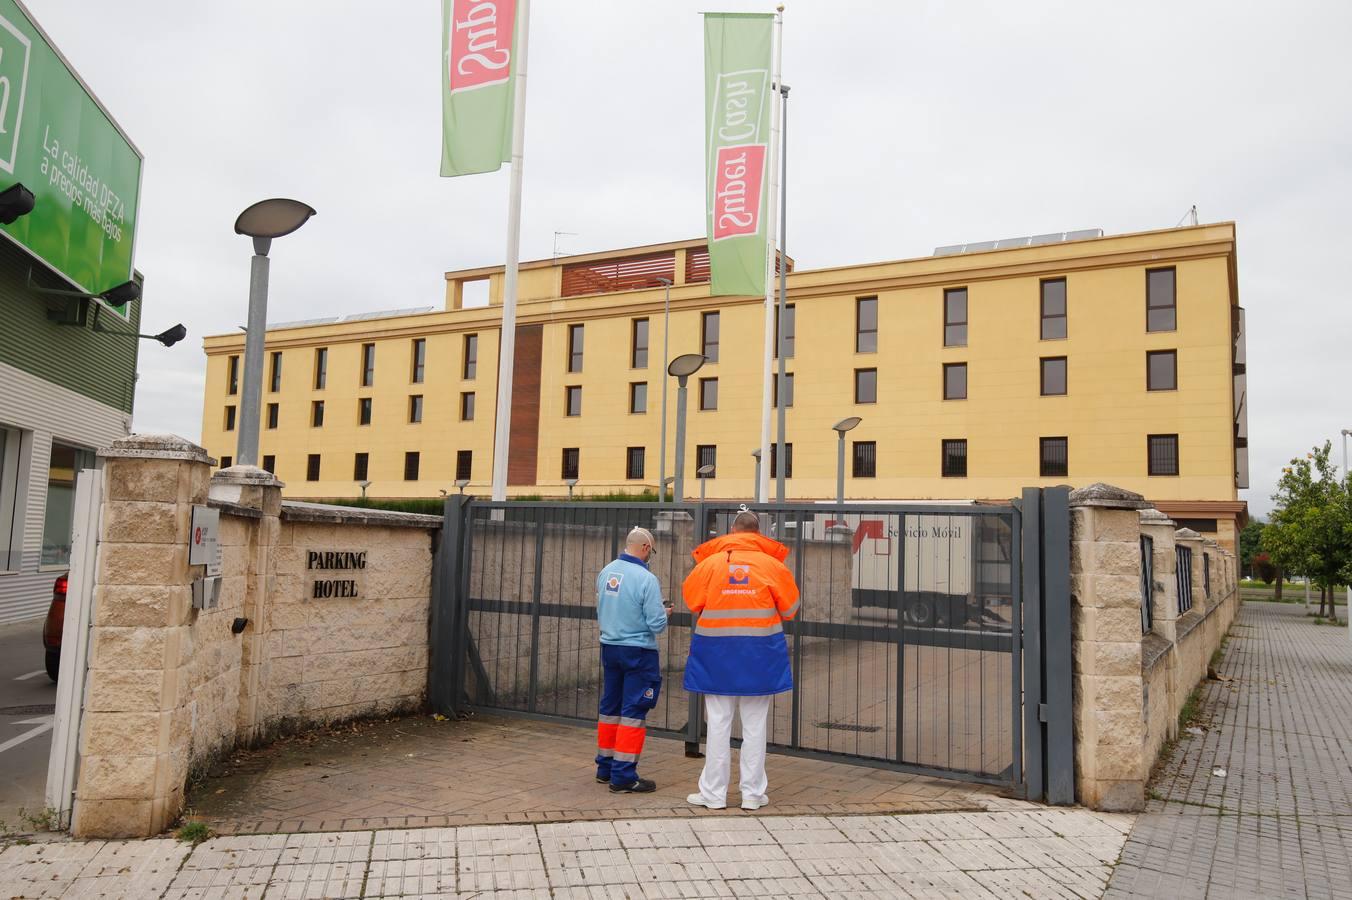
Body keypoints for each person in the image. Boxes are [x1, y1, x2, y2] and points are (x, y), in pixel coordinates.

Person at [682, 509, 800, 811]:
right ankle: (752, 794)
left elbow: (692, 601)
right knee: (755, 725)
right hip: (759, 654)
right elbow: (791, 608)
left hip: (716, 653)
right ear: (758, 534)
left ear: (732, 532)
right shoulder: (772, 566)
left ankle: (713, 794)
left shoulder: (710, 564)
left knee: (719, 723)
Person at [594, 526, 671, 793]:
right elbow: (656, 624)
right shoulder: (646, 578)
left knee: (610, 708)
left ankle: (605, 768)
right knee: (633, 713)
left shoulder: (606, 571)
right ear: (646, 549)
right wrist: (664, 612)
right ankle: (624, 776)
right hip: (638, 651)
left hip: (610, 647)